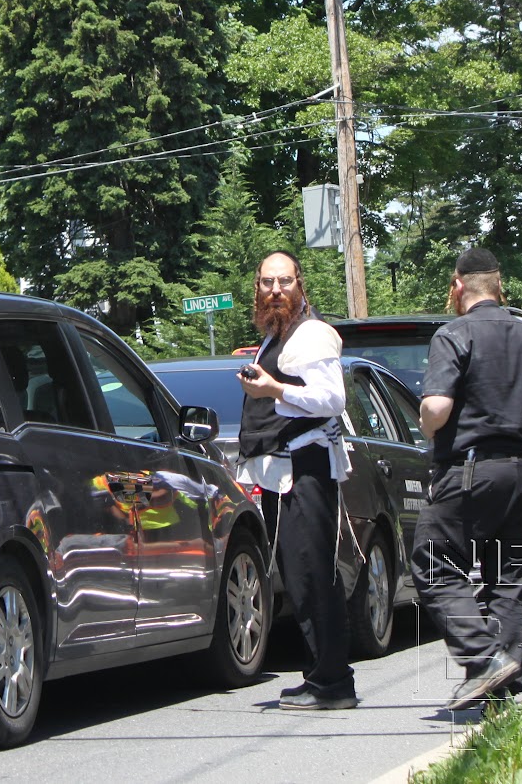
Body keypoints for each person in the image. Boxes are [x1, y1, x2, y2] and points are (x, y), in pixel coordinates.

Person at [412, 247, 522, 712]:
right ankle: (501, 688)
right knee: (506, 579)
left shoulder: (453, 334)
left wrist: (427, 424)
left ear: (458, 286)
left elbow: (437, 406)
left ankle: (483, 659)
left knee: (433, 562)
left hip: (471, 471)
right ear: (499, 286)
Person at [236, 250, 356, 711]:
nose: (275, 290)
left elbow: (332, 398)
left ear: (300, 284)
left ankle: (333, 682)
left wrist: (274, 389)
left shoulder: (310, 333)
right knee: (299, 575)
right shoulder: (277, 334)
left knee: (313, 575)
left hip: (307, 470)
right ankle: (319, 675)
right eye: (267, 282)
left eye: (284, 281)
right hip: (285, 474)